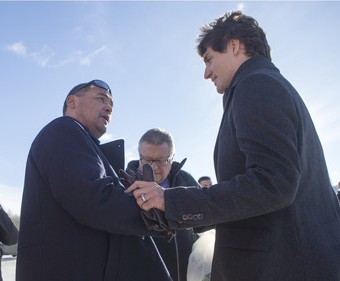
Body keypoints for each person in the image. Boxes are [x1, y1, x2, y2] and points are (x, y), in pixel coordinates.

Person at [126, 11, 340, 281]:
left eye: (209, 59)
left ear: (234, 45)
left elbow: (274, 183)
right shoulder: (267, 84)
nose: (206, 73)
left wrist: (171, 199)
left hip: (279, 268)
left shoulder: (256, 84)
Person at [16, 79, 172, 281]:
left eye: (112, 105)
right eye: (101, 98)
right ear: (72, 102)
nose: (108, 107)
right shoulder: (64, 129)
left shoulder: (83, 143)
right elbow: (95, 199)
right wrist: (163, 211)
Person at [126, 128, 199, 281]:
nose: (153, 168)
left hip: (182, 270)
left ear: (172, 158)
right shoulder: (123, 184)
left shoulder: (187, 181)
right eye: (146, 160)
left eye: (161, 161)